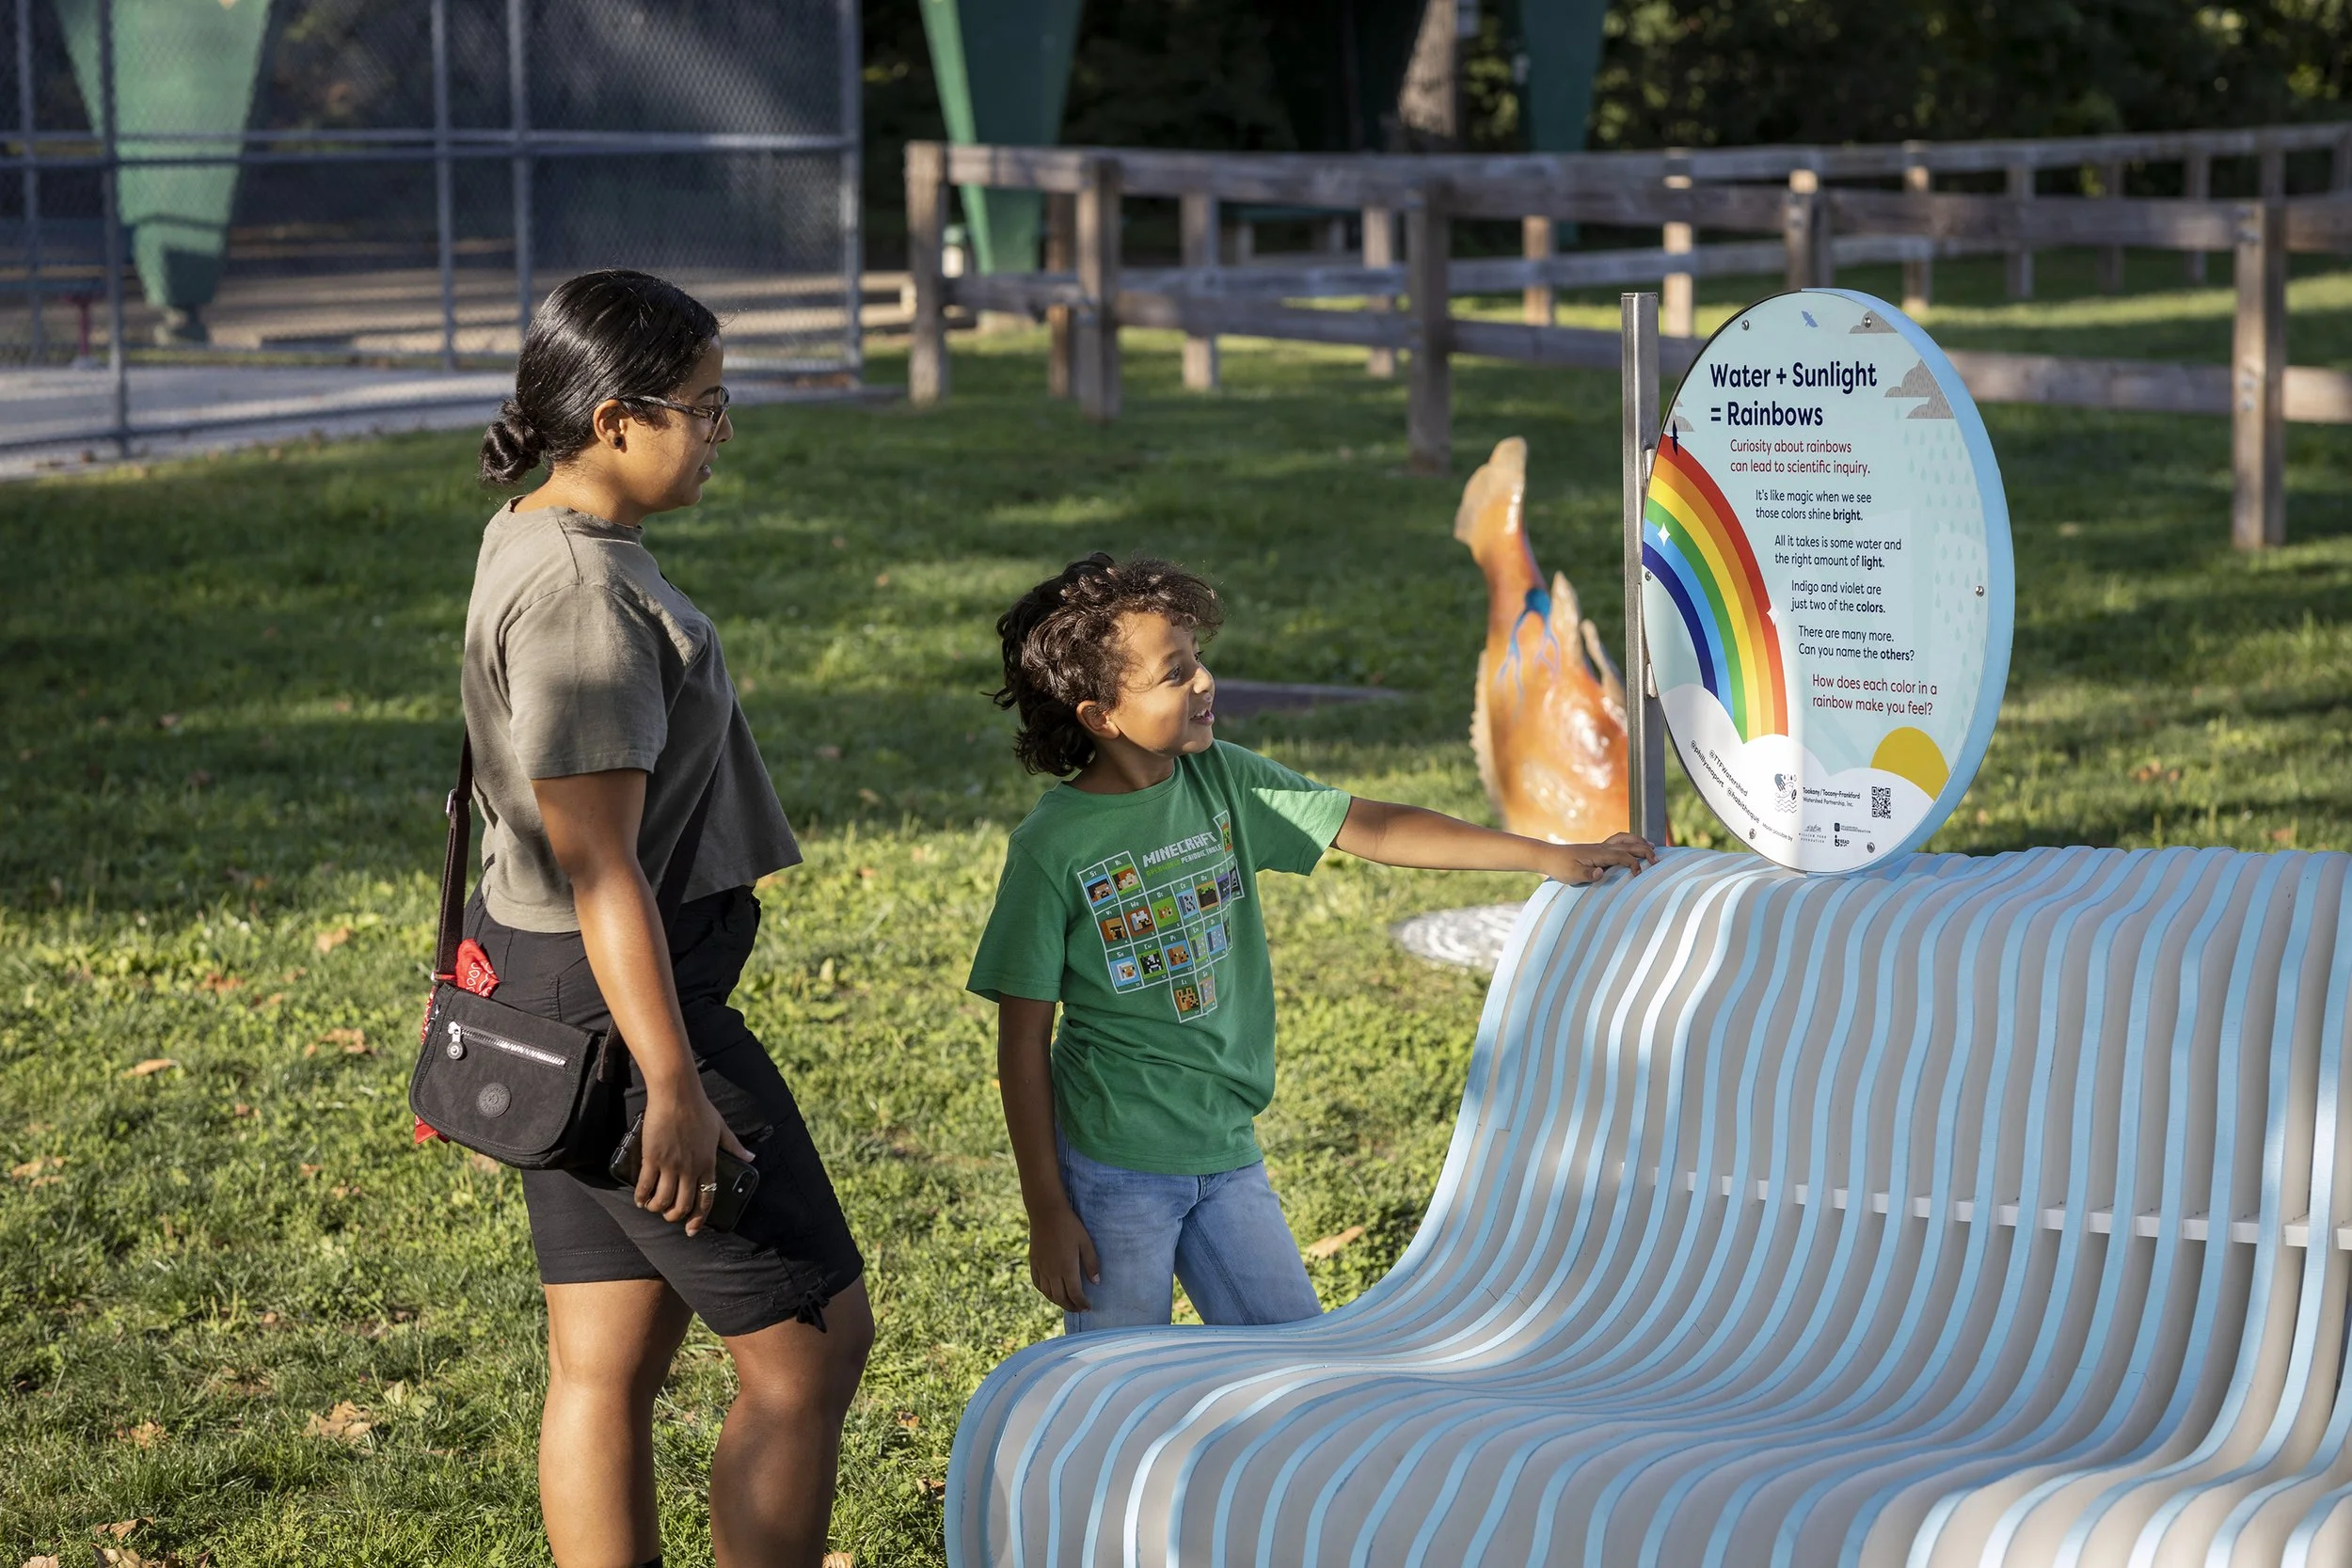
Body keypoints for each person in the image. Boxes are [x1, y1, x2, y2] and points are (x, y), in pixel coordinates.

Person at [967, 554, 1655, 1334]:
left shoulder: (1223, 779)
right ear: (1100, 716)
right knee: (1116, 1378)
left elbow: (1376, 826)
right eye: (1174, 673)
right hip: (1114, 1165)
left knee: (1292, 1349)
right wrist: (1047, 1208)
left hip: (1227, 1148)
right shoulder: (1052, 848)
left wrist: (1544, 855)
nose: (1204, 682)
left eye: (1198, 659)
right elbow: (1022, 1041)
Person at [461, 269, 867, 1568]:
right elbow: (602, 868)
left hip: (551, 990)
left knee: (606, 1357)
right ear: (614, 418)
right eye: (705, 404)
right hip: (624, 1008)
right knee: (811, 1349)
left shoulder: (534, 529)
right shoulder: (581, 594)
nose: (722, 429)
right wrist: (674, 1083)